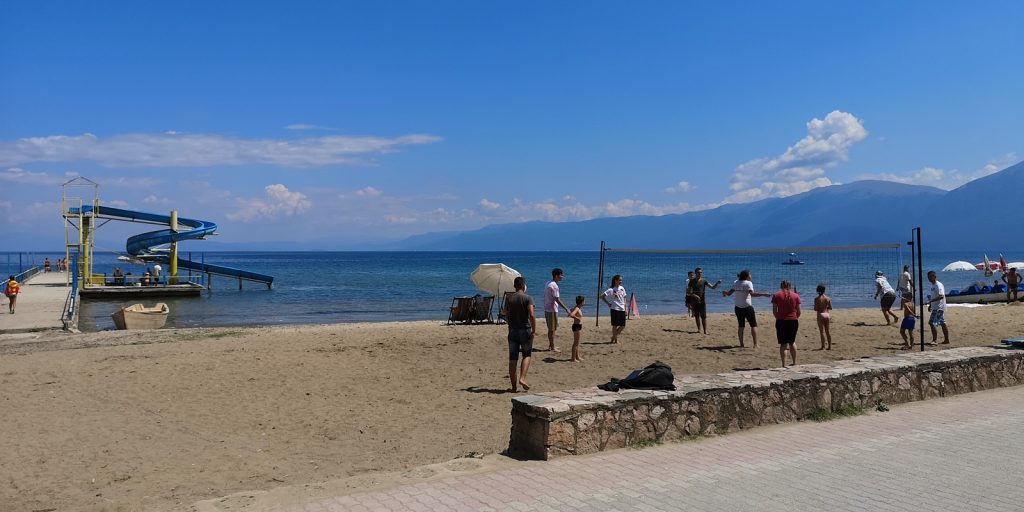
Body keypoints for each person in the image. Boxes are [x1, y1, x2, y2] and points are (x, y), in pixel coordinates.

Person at [722, 270, 770, 348]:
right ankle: (755, 344)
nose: (751, 276)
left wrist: (724, 293)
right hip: (747, 307)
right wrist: (764, 294)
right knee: (753, 325)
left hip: (738, 307)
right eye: (750, 275)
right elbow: (752, 294)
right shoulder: (748, 283)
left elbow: (729, 293)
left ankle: (741, 344)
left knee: (741, 326)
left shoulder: (736, 282)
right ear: (746, 276)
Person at [505, 276, 535, 393]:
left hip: (512, 330)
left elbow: (505, 313)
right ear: (523, 285)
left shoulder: (509, 299)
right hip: (525, 329)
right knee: (527, 354)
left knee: (513, 358)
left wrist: (509, 322)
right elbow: (531, 315)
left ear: (515, 286)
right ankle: (522, 378)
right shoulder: (528, 298)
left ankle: (513, 387)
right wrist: (534, 330)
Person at [772, 280, 800, 367]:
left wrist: (779, 317)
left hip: (781, 321)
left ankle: (784, 364)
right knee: (792, 342)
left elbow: (774, 311)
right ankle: (794, 362)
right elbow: (799, 311)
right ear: (790, 286)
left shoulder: (776, 295)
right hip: (793, 320)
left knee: (783, 344)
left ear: (781, 286)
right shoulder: (795, 295)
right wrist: (795, 317)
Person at [543, 268, 571, 352]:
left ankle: (551, 345)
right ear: (556, 276)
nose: (562, 277)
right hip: (552, 309)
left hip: (547, 308)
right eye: (561, 275)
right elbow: (557, 299)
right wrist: (566, 309)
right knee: (552, 329)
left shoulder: (548, 282)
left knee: (551, 328)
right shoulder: (554, 286)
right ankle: (552, 346)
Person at [688, 267, 722, 335]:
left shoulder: (704, 281)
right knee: (697, 316)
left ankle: (705, 331)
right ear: (695, 273)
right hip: (694, 301)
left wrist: (717, 283)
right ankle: (698, 330)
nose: (700, 273)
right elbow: (689, 292)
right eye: (698, 272)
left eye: (701, 272)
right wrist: (695, 295)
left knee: (703, 317)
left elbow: (712, 287)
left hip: (702, 301)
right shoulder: (692, 281)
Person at [600, 274, 627, 344]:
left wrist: (626, 308)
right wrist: (608, 303)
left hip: (622, 308)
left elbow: (624, 298)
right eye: (619, 280)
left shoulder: (622, 288)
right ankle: (615, 340)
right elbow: (601, 296)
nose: (621, 281)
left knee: (623, 326)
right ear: (615, 280)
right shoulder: (611, 289)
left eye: (621, 280)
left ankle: (613, 337)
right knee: (615, 325)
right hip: (614, 308)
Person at [924, 270, 949, 344]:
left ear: (934, 276)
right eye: (928, 277)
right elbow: (934, 296)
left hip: (939, 307)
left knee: (931, 323)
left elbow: (941, 296)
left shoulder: (938, 285)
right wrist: (930, 305)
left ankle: (934, 340)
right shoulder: (933, 286)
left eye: (930, 277)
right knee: (942, 323)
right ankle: (946, 340)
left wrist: (930, 301)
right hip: (935, 307)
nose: (929, 278)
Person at [814, 284, 832, 350]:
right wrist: (826, 307)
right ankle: (829, 346)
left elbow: (815, 308)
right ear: (824, 290)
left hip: (820, 314)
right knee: (827, 331)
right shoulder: (827, 298)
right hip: (827, 314)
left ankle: (823, 346)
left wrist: (819, 308)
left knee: (821, 332)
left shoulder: (816, 299)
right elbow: (830, 307)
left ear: (817, 290)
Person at [569, 295, 585, 362]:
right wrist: (577, 318)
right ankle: (573, 358)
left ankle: (577, 356)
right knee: (575, 343)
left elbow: (569, 312)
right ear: (582, 302)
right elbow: (571, 315)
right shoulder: (577, 308)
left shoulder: (577, 307)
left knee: (577, 343)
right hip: (576, 326)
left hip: (578, 326)